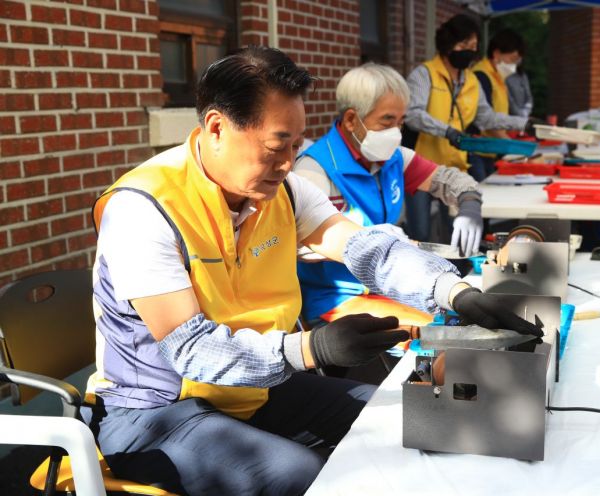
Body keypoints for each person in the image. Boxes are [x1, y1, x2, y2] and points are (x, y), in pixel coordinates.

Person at [80, 46, 543, 496]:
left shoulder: (283, 190)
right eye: (276, 146)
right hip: (153, 411)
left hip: (249, 389)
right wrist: (312, 347)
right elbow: (192, 350)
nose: (287, 164)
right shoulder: (142, 210)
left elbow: (368, 251)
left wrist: (453, 291)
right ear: (217, 128)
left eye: (296, 145)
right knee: (305, 474)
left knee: (406, 417)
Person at [294, 63, 483, 328]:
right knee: (443, 332)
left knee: (456, 318)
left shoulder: (393, 158)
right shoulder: (314, 170)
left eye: (401, 121)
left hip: (391, 284)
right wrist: (364, 237)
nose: (396, 132)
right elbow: (298, 244)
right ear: (351, 120)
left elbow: (450, 180)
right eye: (386, 120)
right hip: (339, 297)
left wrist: (469, 204)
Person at [403, 14, 533, 243]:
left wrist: (523, 124)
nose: (469, 51)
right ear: (447, 44)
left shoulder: (471, 80)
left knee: (455, 232)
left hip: (455, 167)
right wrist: (447, 131)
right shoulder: (424, 74)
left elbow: (486, 117)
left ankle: (455, 274)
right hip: (420, 166)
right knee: (419, 234)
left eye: (473, 47)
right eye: (464, 45)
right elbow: (413, 114)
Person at [473, 29, 531, 118]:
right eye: (512, 59)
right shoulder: (481, 76)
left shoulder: (499, 77)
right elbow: (485, 119)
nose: (514, 66)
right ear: (496, 54)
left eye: (517, 61)